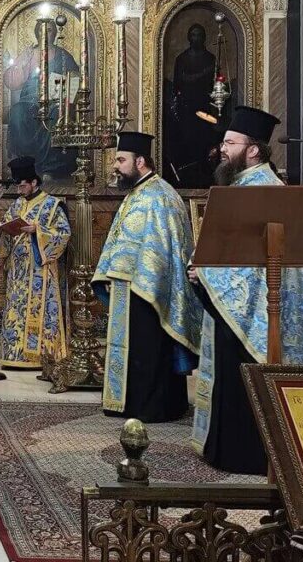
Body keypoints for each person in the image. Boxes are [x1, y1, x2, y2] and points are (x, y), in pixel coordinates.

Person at [189, 106, 303, 474]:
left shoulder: (263, 190)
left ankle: (244, 455)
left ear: (253, 150)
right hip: (237, 305)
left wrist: (206, 273)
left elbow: (252, 264)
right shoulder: (243, 186)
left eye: (230, 143)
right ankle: (225, 449)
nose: (222, 149)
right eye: (223, 142)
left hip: (257, 310)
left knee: (245, 375)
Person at [93, 132, 202, 422]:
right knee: (134, 348)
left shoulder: (160, 196)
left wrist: (144, 277)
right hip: (128, 286)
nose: (115, 166)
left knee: (149, 347)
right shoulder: (137, 193)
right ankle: (127, 402)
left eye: (121, 160)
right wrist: (110, 272)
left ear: (140, 161)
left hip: (150, 288)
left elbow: (163, 248)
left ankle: (151, 407)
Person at [0, 156, 71, 370]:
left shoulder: (52, 205)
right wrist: (0, 231)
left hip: (40, 271)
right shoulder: (17, 205)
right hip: (18, 272)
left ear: (34, 182)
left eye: (22, 186)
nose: (19, 190)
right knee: (17, 312)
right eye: (18, 186)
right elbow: (9, 231)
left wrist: (38, 231)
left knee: (40, 312)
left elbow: (64, 234)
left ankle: (41, 358)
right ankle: (15, 355)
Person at [3, 19, 80, 179]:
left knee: (56, 115)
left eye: (49, 30)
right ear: (36, 32)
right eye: (41, 30)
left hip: (54, 100)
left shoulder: (63, 56)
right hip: (28, 101)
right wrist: (21, 65)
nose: (45, 33)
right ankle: (26, 164)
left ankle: (49, 168)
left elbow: (74, 78)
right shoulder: (28, 53)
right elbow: (12, 82)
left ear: (55, 33)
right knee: (17, 113)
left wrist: (62, 91)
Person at [165, 23, 223, 187]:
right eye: (193, 35)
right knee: (187, 141)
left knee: (204, 141)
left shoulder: (211, 58)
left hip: (205, 106)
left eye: (199, 35)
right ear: (189, 37)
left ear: (203, 37)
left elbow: (217, 84)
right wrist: (203, 73)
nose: (196, 38)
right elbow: (180, 81)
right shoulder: (182, 59)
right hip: (186, 107)